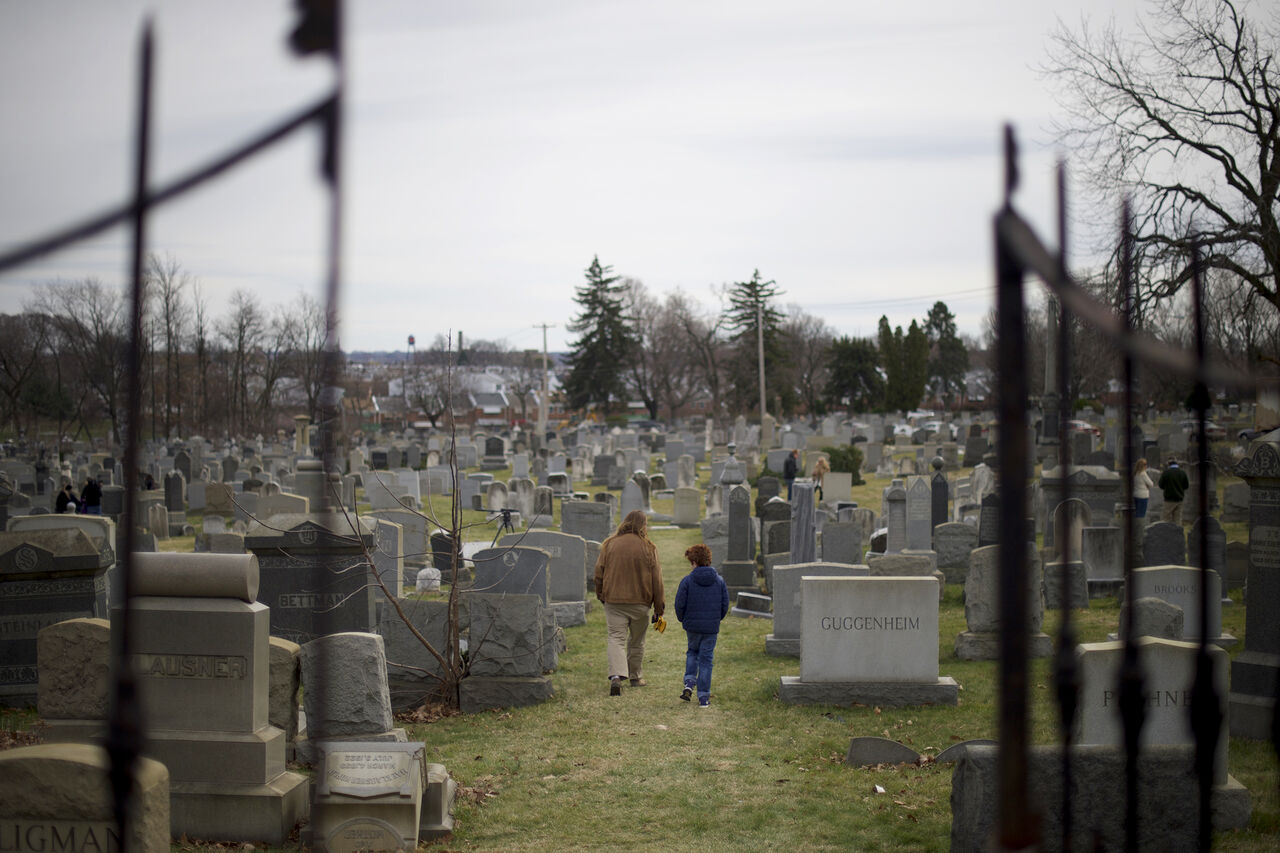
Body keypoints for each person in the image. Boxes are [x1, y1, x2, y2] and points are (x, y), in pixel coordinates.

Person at [594, 509, 665, 696]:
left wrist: (601, 594)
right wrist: (659, 608)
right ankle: (635, 677)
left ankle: (616, 676)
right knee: (636, 641)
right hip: (640, 603)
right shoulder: (649, 547)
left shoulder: (610, 544)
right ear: (643, 525)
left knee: (616, 638)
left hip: (614, 601)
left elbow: (598, 573)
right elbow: (657, 581)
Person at [675, 543, 728, 708]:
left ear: (694, 562)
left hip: (692, 626)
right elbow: (724, 604)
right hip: (711, 627)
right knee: (706, 659)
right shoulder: (719, 581)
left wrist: (683, 619)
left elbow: (679, 604)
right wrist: (716, 619)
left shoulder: (687, 581)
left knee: (692, 652)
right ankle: (704, 697)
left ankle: (689, 681)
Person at [1157, 456, 1190, 524]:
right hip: (1179, 499)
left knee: (1166, 519)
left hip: (1169, 499)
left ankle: (1167, 534)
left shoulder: (1166, 473)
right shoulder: (1182, 473)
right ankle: (1178, 534)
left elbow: (1160, 485)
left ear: (1169, 464)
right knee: (1178, 519)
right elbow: (1186, 486)